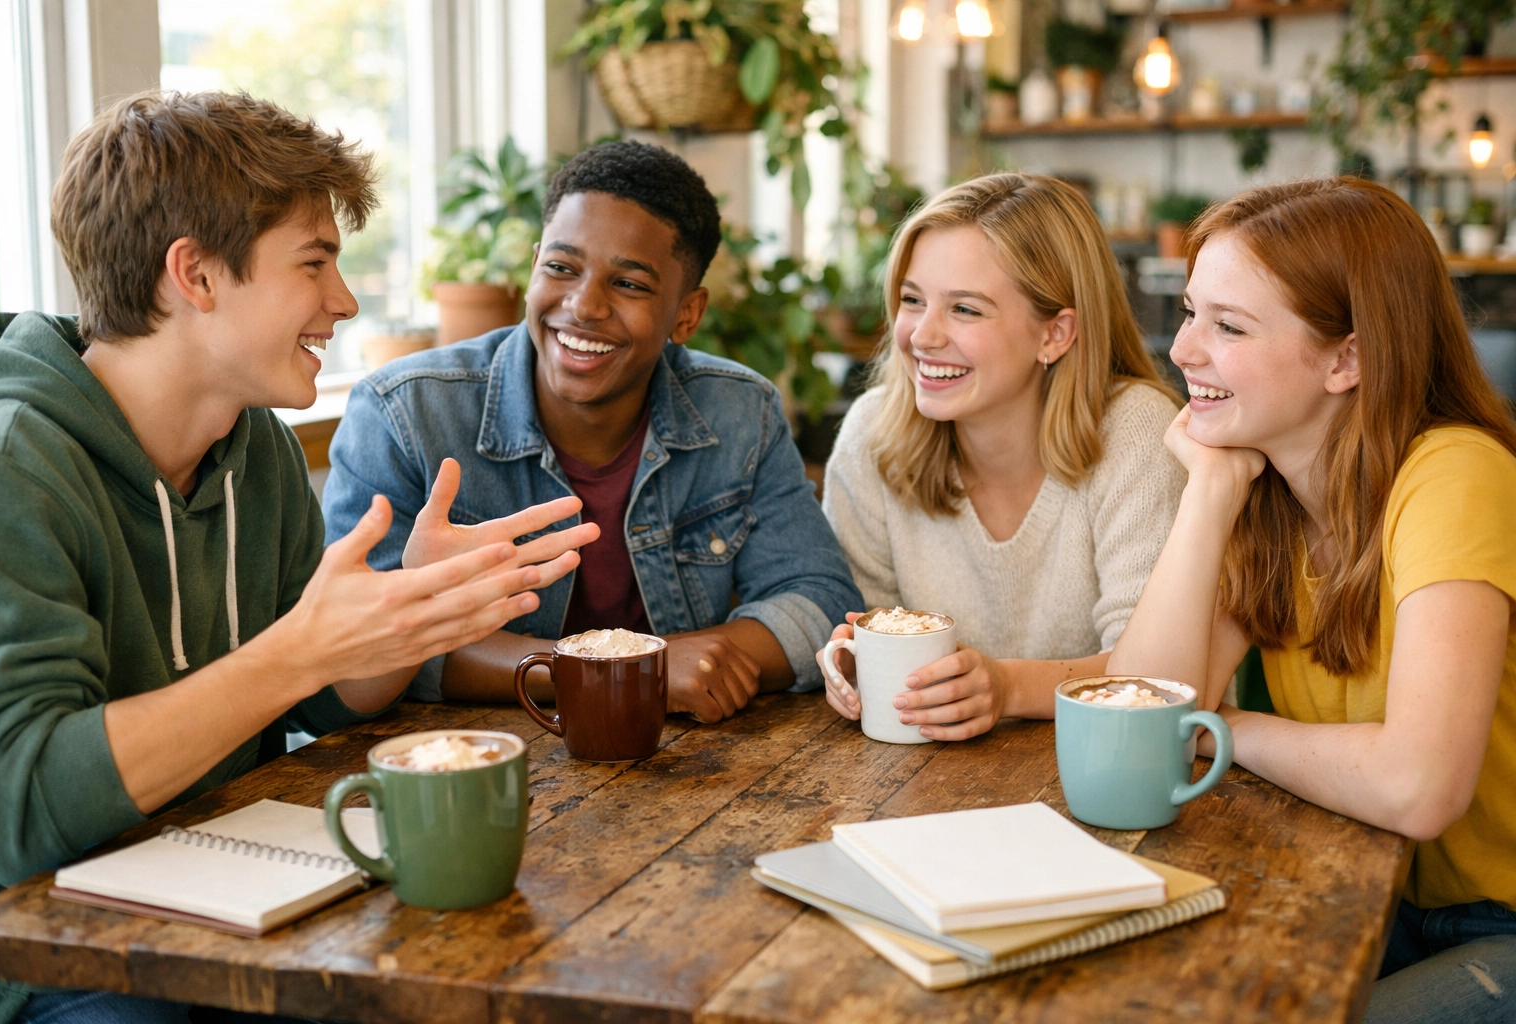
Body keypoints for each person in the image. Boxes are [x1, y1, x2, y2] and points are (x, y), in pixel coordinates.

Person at [0, 92, 593, 1024]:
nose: (343, 301)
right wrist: (303, 649)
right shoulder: (9, 465)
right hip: (51, 956)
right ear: (195, 274)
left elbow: (313, 698)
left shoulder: (253, 444)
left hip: (240, 897)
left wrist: (401, 616)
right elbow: (15, 808)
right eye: (315, 263)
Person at [1106, 177, 1516, 1024]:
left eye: (1228, 326)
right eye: (1189, 312)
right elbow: (1142, 727)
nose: (1182, 351)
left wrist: (1227, 731)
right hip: (1371, 897)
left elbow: (1418, 787)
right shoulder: (1263, 493)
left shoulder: (1454, 474)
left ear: (1347, 359)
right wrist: (1209, 495)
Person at [323, 140, 861, 721]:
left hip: (688, 770)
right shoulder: (405, 413)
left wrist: (705, 659)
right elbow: (361, 649)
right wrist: (627, 671)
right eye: (560, 268)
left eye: (629, 284)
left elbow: (820, 600)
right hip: (475, 763)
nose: (583, 306)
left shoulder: (739, 410)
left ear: (687, 313)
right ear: (533, 268)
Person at [817, 173, 1185, 740]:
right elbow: (880, 660)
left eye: (965, 309)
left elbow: (1158, 677)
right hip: (923, 788)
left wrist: (1007, 687)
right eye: (912, 300)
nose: (921, 336)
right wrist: (853, 661)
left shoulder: (1137, 432)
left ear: (1056, 334)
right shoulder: (871, 434)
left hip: (1110, 780)